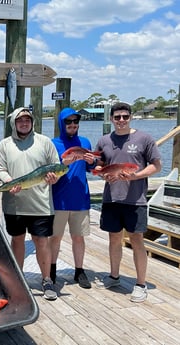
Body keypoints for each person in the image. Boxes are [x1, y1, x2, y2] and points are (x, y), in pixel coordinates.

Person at [94, 102, 161, 303]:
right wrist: (103, 176)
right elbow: (99, 167)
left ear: (131, 117)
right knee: (114, 239)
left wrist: (135, 176)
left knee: (137, 240)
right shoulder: (104, 140)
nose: (121, 120)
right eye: (117, 117)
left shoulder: (144, 138)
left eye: (125, 116)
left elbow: (156, 166)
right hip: (111, 198)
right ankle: (114, 276)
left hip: (136, 200)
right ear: (111, 119)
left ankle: (141, 284)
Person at [0, 107, 61, 301]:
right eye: (20, 120)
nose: (24, 123)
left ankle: (47, 280)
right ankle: (18, 278)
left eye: (27, 119)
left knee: (42, 241)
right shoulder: (5, 144)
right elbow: (0, 167)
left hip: (40, 204)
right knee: (17, 240)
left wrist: (53, 178)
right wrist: (8, 181)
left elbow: (55, 167)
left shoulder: (45, 142)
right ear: (13, 123)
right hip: (13, 203)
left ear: (32, 122)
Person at [50, 108, 95, 289]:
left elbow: (91, 170)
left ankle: (79, 270)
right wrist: (63, 164)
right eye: (68, 122)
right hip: (58, 199)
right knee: (55, 237)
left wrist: (93, 162)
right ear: (62, 123)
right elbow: (50, 170)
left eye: (75, 122)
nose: (72, 125)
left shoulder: (85, 142)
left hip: (80, 199)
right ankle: (51, 269)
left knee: (79, 237)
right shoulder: (52, 144)